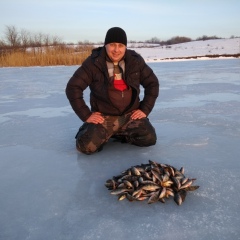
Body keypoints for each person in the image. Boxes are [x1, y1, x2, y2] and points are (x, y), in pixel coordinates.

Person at [66, 27, 159, 154]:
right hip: (104, 117)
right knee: (86, 146)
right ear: (106, 45)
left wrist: (144, 109)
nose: (116, 50)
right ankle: (98, 130)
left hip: (129, 115)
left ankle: (119, 133)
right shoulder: (94, 62)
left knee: (149, 138)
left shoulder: (135, 60)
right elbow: (73, 87)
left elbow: (152, 83)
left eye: (120, 45)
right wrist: (86, 115)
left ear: (125, 47)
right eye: (112, 45)